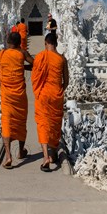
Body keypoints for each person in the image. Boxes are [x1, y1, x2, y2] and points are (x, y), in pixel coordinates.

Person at [0, 32, 34, 169]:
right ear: (20, 42)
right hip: (20, 95)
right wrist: (23, 65)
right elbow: (35, 64)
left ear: (7, 41)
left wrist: (0, 85)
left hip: (7, 95)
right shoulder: (22, 53)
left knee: (7, 122)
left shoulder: (2, 54)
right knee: (21, 122)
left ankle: (8, 156)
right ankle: (21, 152)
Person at [31, 33, 69, 172]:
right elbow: (67, 81)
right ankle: (53, 155)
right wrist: (59, 90)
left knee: (43, 124)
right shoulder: (61, 59)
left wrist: (41, 90)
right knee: (54, 124)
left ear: (45, 43)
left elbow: (35, 77)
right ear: (56, 43)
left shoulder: (40, 57)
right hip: (56, 95)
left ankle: (46, 157)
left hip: (43, 95)